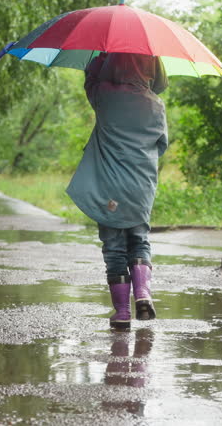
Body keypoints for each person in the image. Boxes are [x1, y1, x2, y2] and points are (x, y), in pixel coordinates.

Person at [67, 51, 168, 329]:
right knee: (140, 240)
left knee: (114, 248)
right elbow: (162, 144)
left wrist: (100, 57)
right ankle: (144, 294)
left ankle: (122, 312)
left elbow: (90, 82)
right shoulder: (156, 105)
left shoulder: (103, 96)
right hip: (140, 187)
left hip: (109, 187)